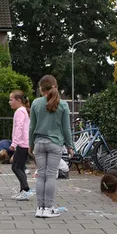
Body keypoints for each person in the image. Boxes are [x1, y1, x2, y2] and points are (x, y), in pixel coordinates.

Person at [29, 75, 74, 218]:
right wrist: (70, 145)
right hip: (55, 144)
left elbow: (32, 127)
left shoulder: (36, 103)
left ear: (41, 89)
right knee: (50, 176)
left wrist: (30, 144)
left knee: (41, 176)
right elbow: (66, 128)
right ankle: (48, 208)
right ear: (56, 86)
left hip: (39, 143)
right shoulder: (63, 105)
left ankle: (39, 208)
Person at [9, 90, 32, 201]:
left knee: (16, 167)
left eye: (11, 99)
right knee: (20, 167)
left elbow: (19, 127)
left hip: (22, 144)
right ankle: (23, 191)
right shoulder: (23, 110)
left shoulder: (19, 111)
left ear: (18, 100)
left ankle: (26, 190)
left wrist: (14, 143)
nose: (9, 102)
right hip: (24, 143)